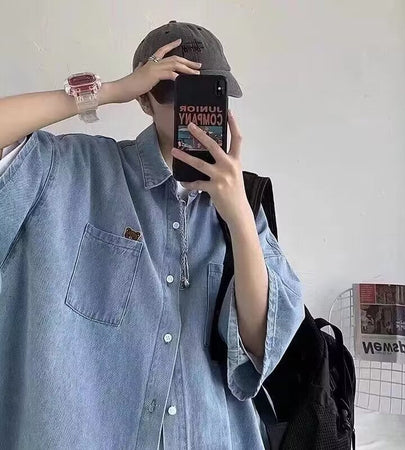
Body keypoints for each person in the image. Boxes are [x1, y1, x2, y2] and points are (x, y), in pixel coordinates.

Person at [0, 21, 304, 449]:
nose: (191, 109)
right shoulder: (73, 171)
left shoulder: (243, 202)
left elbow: (258, 346)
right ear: (145, 99)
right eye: (173, 89)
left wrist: (237, 214)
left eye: (208, 91)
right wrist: (109, 91)